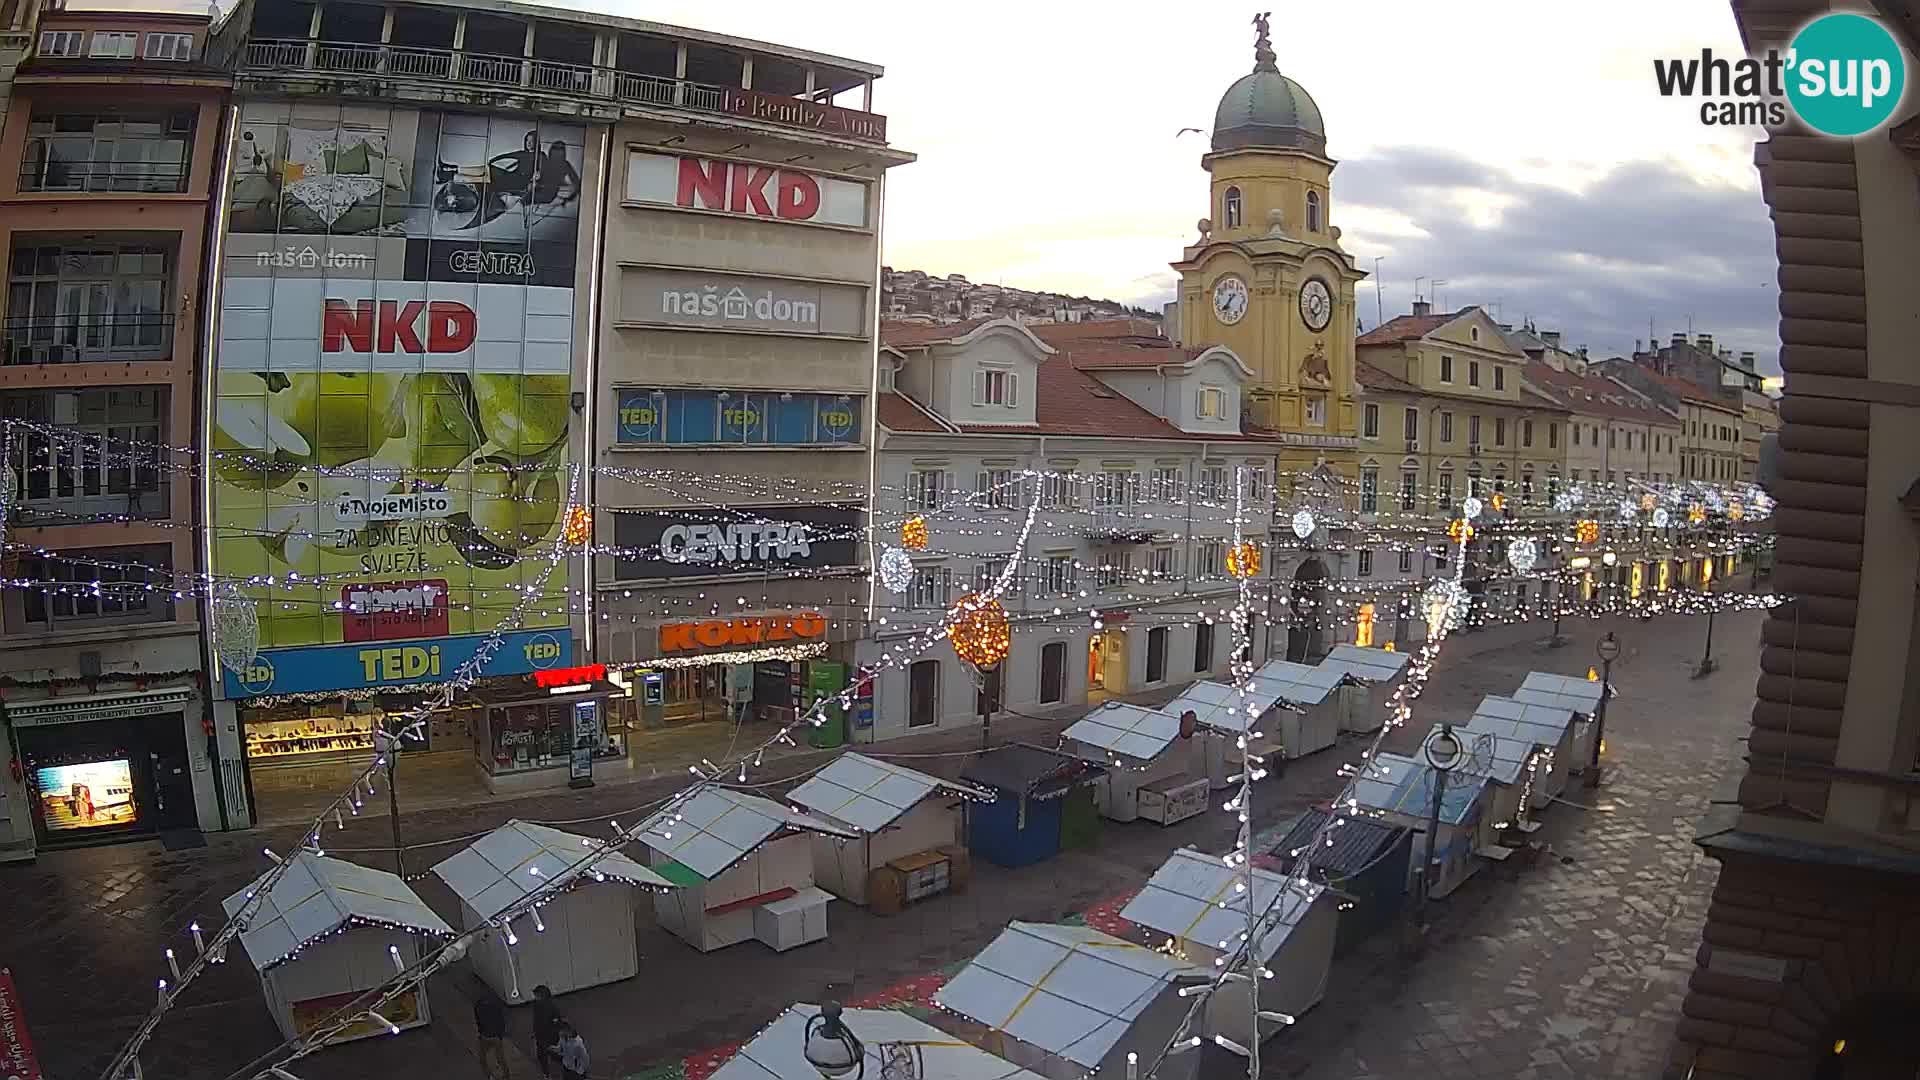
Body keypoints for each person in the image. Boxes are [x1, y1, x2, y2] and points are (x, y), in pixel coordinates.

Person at [531, 985, 562, 1079]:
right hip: (541, 1036)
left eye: (536, 995)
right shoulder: (537, 1005)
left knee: (553, 1055)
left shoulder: (551, 1006)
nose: (535, 997)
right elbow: (536, 1021)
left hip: (550, 1036)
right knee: (542, 1056)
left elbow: (557, 1021)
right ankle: (547, 1074)